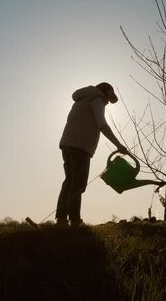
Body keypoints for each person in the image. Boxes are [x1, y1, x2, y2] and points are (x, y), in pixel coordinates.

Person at [56, 82, 130, 226]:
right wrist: (118, 145)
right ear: (106, 92)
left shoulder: (82, 99)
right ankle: (75, 220)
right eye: (109, 98)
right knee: (78, 184)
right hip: (80, 146)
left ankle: (61, 219)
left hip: (67, 144)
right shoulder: (97, 100)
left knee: (69, 181)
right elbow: (102, 125)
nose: (108, 102)